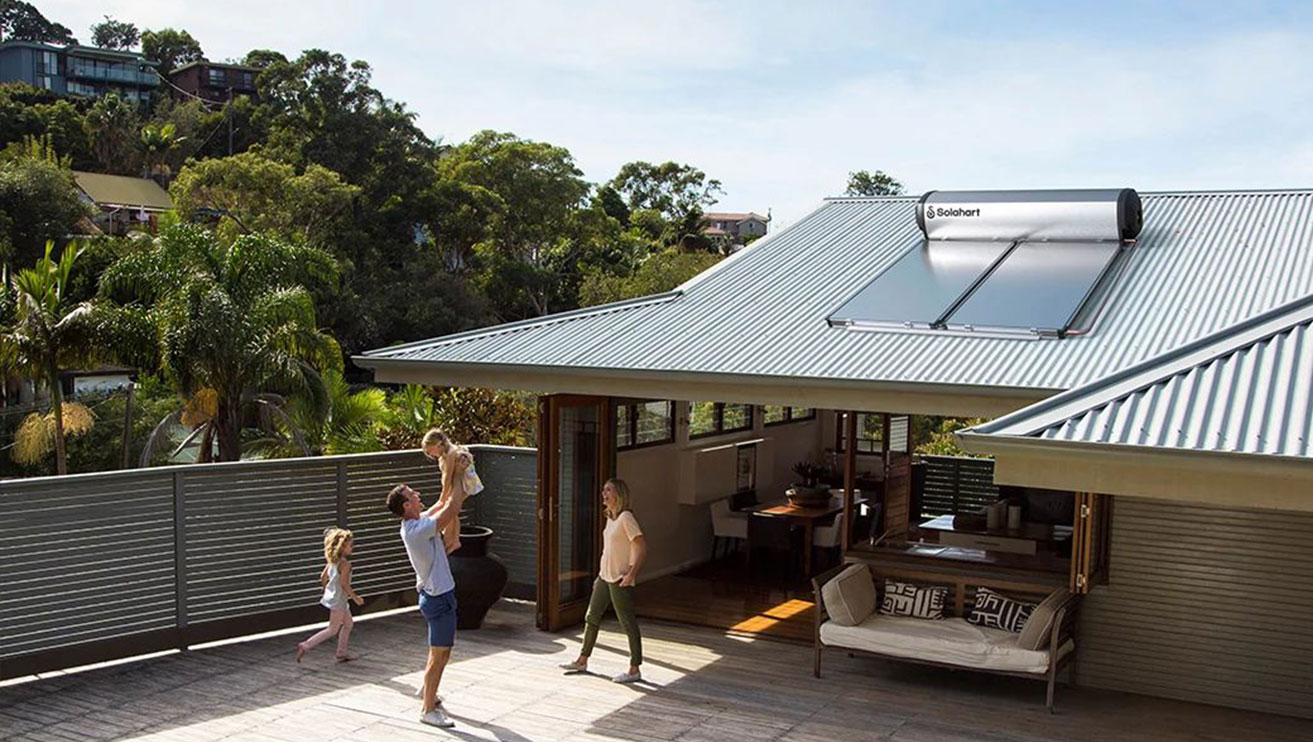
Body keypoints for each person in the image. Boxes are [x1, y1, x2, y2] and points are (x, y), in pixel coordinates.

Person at [386, 459, 467, 730]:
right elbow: (452, 507)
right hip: (438, 599)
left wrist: (453, 469)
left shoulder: (417, 522)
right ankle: (428, 709)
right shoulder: (418, 530)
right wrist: (459, 473)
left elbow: (444, 500)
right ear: (406, 506)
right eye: (413, 495)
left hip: (439, 597)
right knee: (439, 655)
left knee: (442, 653)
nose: (418, 495)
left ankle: (427, 691)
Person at [559, 478, 646, 683]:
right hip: (604, 577)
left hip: (619, 578)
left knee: (627, 623)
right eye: (603, 490)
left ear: (619, 494)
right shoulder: (611, 517)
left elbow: (641, 546)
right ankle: (582, 660)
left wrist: (632, 574)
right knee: (591, 617)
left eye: (608, 490)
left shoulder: (626, 517)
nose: (603, 493)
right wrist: (600, 574)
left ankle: (634, 669)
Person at [295, 527, 364, 663]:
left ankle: (341, 652)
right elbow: (344, 584)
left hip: (336, 599)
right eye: (350, 545)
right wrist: (355, 598)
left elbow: (322, 577)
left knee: (348, 624)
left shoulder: (332, 561)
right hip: (339, 601)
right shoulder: (346, 565)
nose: (352, 548)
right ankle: (306, 645)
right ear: (342, 547)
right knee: (332, 629)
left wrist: (327, 589)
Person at [420, 429, 483, 554]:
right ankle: (453, 540)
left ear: (438, 444)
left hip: (465, 484)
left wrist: (443, 497)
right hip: (458, 483)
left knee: (450, 507)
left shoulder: (451, 453)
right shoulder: (445, 456)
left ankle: (450, 541)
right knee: (451, 510)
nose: (432, 454)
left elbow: (448, 477)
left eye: (431, 451)